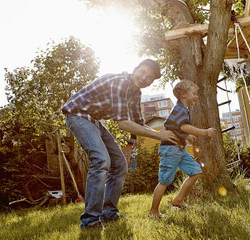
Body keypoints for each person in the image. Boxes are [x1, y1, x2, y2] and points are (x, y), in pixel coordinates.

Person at [62, 59, 179, 230]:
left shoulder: (136, 94)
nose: (144, 78)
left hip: (93, 119)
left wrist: (162, 134)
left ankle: (108, 213)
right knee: (101, 160)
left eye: (150, 77)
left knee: (120, 165)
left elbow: (138, 123)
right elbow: (123, 123)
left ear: (152, 82)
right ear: (135, 69)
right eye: (143, 72)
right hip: (77, 113)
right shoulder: (120, 83)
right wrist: (157, 135)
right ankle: (90, 222)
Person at [149, 80, 217, 218]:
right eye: (194, 93)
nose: (196, 96)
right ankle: (153, 212)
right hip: (170, 149)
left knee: (196, 172)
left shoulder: (182, 110)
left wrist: (187, 137)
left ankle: (178, 200)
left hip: (179, 149)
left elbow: (177, 128)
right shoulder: (180, 109)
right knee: (164, 181)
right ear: (184, 94)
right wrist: (205, 132)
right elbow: (183, 127)